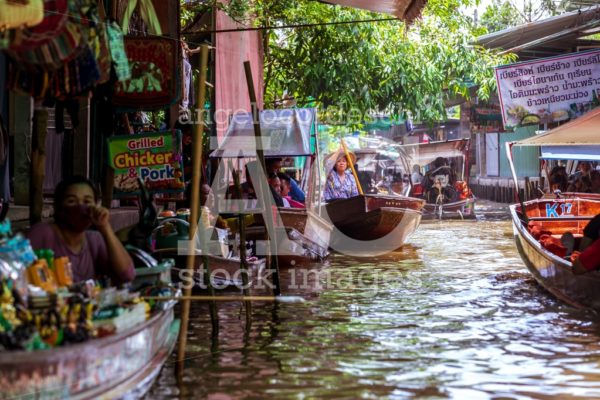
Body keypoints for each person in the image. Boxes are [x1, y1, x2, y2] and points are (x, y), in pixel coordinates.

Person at [27, 176, 135, 284]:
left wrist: (105, 227)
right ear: (59, 208)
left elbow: (126, 274)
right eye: (71, 201)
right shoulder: (42, 234)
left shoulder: (94, 240)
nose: (81, 207)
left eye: (87, 201)